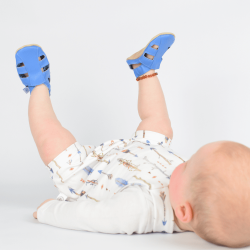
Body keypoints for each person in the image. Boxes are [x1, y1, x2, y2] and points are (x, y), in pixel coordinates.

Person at [15, 33, 250, 248]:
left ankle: (37, 88)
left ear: (184, 211)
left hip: (88, 172)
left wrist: (49, 211)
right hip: (146, 150)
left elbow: (87, 216)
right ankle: (145, 69)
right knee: (161, 126)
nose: (183, 162)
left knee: (52, 143)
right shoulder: (190, 186)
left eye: (187, 166)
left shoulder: (138, 211)